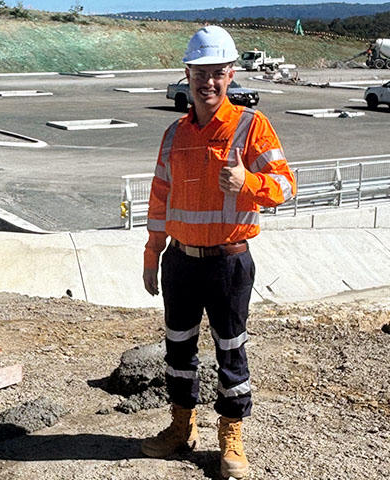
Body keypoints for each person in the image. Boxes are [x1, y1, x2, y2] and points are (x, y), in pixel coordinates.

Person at [140, 25, 296, 479]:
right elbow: (159, 197)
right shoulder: (174, 135)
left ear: (230, 75)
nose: (207, 82)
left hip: (229, 261)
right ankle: (180, 428)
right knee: (178, 348)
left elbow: (285, 185)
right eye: (199, 73)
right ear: (187, 74)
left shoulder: (251, 126)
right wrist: (153, 253)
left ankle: (231, 438)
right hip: (181, 262)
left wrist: (248, 183)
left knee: (231, 349)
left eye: (217, 73)